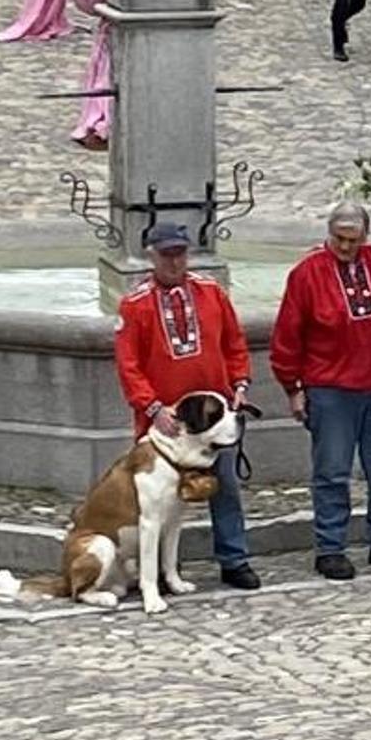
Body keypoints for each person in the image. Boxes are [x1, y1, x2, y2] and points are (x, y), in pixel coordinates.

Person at [270, 198, 371, 579]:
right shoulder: (307, 273)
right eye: (339, 238)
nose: (345, 246)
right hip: (331, 389)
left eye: (352, 239)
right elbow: (288, 334)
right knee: (332, 472)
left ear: (365, 237)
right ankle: (330, 547)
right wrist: (293, 387)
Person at [114, 222, 262, 589]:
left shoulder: (211, 293)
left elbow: (234, 343)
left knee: (225, 488)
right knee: (159, 499)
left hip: (213, 418)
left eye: (180, 253)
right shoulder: (135, 305)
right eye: (166, 254)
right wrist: (152, 407)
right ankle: (162, 569)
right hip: (165, 423)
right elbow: (129, 365)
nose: (174, 262)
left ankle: (233, 558)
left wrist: (239, 384)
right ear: (151, 255)